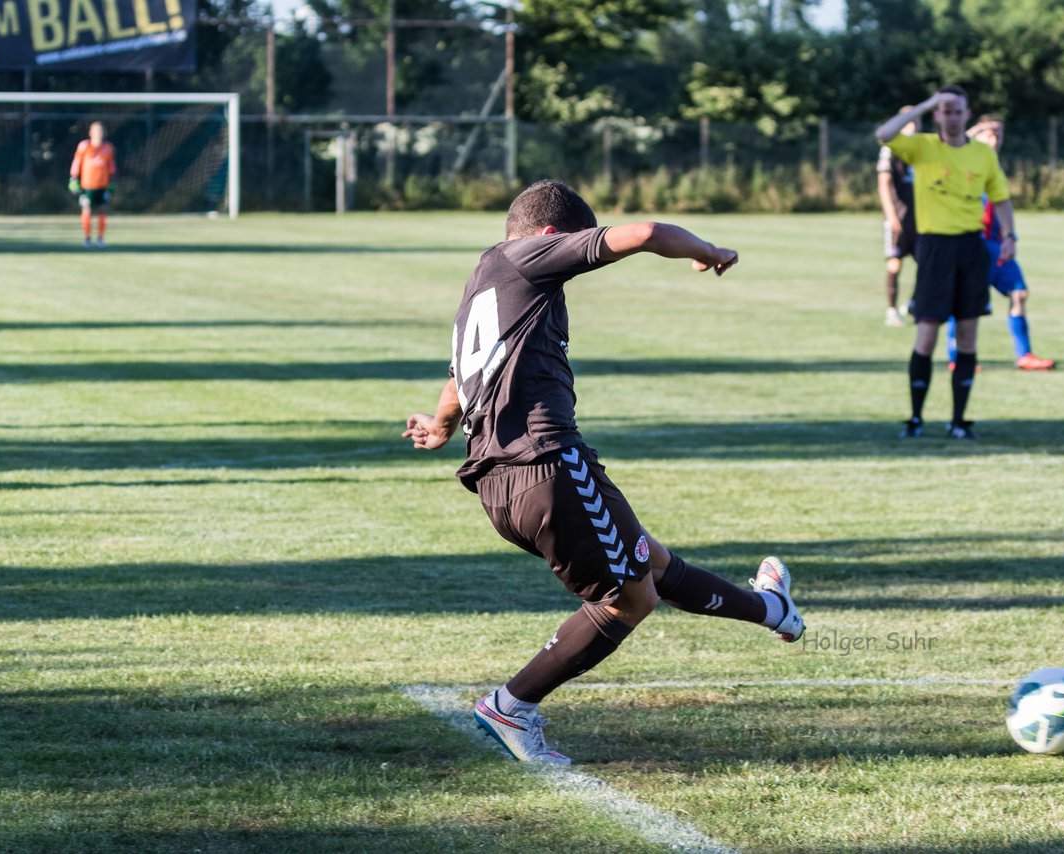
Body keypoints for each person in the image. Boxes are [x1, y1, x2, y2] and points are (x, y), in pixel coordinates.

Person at [402, 180, 806, 765]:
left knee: (649, 560)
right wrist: (710, 251)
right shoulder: (528, 257)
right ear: (549, 237)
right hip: (547, 465)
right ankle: (510, 705)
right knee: (629, 600)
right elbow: (647, 233)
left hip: (501, 481)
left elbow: (460, 378)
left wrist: (441, 425)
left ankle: (773, 610)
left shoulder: (486, 283)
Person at [874, 86, 1017, 440]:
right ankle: (916, 418)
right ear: (938, 115)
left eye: (957, 111)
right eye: (945, 110)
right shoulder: (923, 146)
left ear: (967, 115)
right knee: (927, 334)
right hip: (934, 249)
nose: (951, 116)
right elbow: (883, 134)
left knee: (968, 335)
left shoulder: (983, 155)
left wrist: (1010, 237)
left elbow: (1001, 199)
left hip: (971, 247)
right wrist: (924, 104)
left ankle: (958, 420)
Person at [944, 116, 1056, 371]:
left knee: (1019, 294)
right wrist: (974, 133)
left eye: (999, 134)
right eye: (990, 133)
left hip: (996, 244)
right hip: (972, 242)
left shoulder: (995, 166)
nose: (996, 138)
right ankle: (958, 358)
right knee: (965, 301)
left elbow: (1003, 205)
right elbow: (950, 143)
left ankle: (1024, 355)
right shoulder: (963, 159)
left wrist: (1009, 236)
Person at [877, 106, 918, 327]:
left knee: (928, 263)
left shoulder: (924, 148)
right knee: (895, 263)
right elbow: (883, 183)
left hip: (922, 219)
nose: (914, 124)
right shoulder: (891, 149)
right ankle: (891, 311)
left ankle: (913, 303)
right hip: (899, 218)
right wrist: (891, 216)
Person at [68, 121, 116, 247]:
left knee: (103, 210)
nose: (98, 134)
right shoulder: (84, 147)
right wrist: (73, 179)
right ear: (90, 132)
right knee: (86, 208)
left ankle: (100, 238)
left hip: (102, 185)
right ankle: (87, 238)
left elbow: (111, 167)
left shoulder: (108, 148)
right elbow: (77, 163)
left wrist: (112, 183)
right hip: (87, 186)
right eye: (96, 131)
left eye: (100, 131)